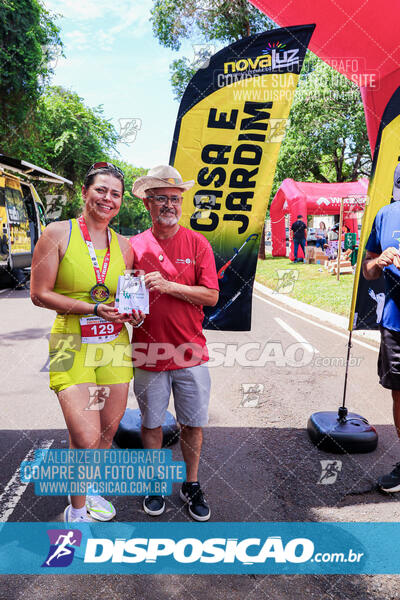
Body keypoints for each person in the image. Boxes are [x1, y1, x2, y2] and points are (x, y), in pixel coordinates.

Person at [30, 162, 144, 522]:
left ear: (121, 202)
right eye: (101, 190)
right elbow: (38, 294)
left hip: (113, 344)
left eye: (115, 194)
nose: (107, 199)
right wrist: (92, 306)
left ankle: (90, 487)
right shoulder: (57, 233)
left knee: (108, 431)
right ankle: (75, 511)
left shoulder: (124, 246)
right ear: (85, 193)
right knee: (85, 432)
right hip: (70, 342)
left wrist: (134, 313)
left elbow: (127, 298)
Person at [130, 165, 219, 521]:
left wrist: (169, 286)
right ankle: (155, 483)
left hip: (190, 352)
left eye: (175, 199)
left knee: (192, 424)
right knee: (151, 423)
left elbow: (211, 296)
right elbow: (127, 296)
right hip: (146, 351)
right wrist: (129, 314)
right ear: (147, 204)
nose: (169, 204)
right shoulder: (133, 245)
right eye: (161, 199)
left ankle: (191, 483)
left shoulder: (197, 243)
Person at [362, 201, 400, 491]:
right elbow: (368, 271)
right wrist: (379, 261)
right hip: (395, 323)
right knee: (399, 396)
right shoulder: (386, 215)